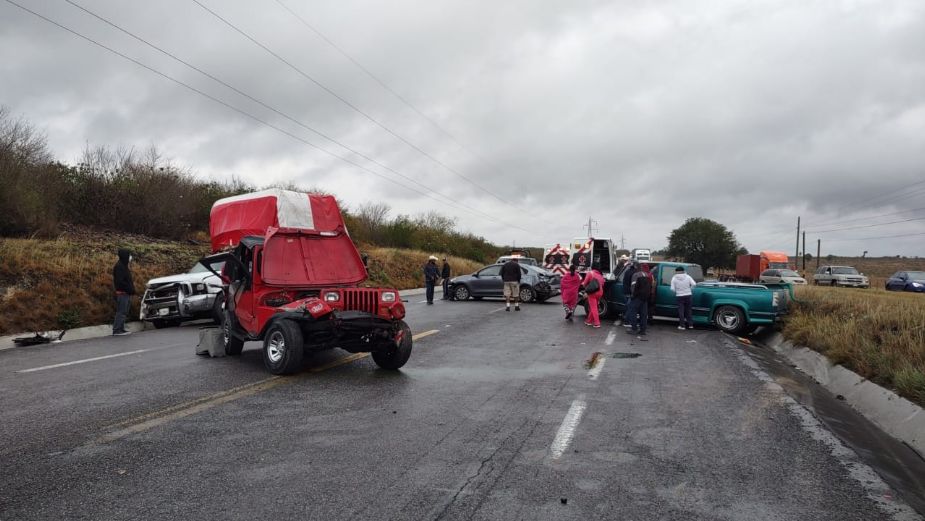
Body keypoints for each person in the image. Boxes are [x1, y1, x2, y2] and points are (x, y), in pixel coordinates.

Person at [112, 248, 135, 336]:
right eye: (129, 255)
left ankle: (121, 328)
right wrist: (129, 289)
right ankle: (117, 330)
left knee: (124, 312)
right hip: (122, 293)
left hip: (126, 293)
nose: (130, 257)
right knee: (121, 312)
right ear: (125, 256)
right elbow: (120, 282)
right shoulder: (119, 267)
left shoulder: (124, 266)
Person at [626, 264, 652, 338]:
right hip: (645, 298)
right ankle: (643, 330)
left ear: (637, 268)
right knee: (643, 314)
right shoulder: (647, 275)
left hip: (637, 297)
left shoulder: (636, 275)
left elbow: (633, 286)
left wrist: (632, 296)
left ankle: (634, 329)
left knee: (632, 312)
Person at [671, 265, 697, 330]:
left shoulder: (674, 278)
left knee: (681, 311)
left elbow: (672, 289)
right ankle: (691, 325)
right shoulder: (688, 277)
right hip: (688, 295)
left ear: (677, 272)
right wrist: (690, 289)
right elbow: (694, 284)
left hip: (679, 296)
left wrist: (676, 291)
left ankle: (682, 326)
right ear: (683, 271)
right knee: (688, 310)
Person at [582, 263, 605, 328]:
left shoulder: (590, 273)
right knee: (594, 307)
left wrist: (585, 287)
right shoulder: (600, 274)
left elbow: (585, 283)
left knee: (593, 308)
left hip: (592, 292)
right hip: (600, 292)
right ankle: (589, 321)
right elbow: (602, 283)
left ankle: (597, 323)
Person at [621, 260, 637, 328]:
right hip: (631, 292)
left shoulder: (627, 271)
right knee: (630, 307)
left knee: (628, 306)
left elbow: (624, 281)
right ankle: (627, 321)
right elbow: (633, 284)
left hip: (626, 291)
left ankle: (626, 319)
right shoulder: (635, 273)